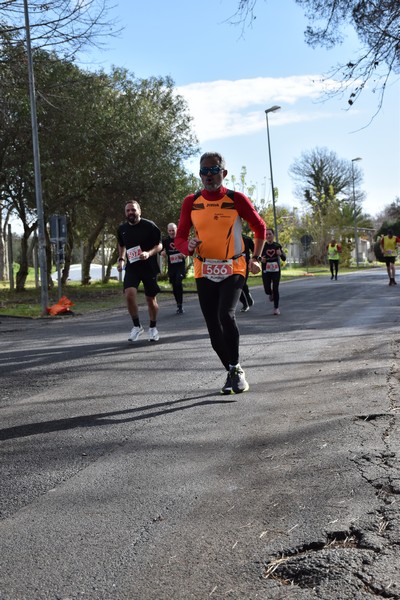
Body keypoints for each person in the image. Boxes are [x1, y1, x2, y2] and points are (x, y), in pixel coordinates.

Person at [175, 151, 266, 395]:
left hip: (233, 266)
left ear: (223, 173)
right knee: (213, 328)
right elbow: (180, 237)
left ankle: (235, 369)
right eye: (204, 171)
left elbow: (260, 227)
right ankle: (233, 371)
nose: (209, 175)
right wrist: (188, 247)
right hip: (204, 268)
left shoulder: (237, 199)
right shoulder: (190, 201)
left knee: (226, 315)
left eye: (214, 170)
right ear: (199, 174)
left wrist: (255, 257)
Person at [117, 200, 163, 342]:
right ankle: (137, 327)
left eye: (133, 210)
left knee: (150, 299)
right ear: (125, 213)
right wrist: (121, 259)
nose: (130, 212)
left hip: (149, 267)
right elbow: (121, 245)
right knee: (129, 294)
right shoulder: (122, 229)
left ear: (139, 211)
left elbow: (159, 245)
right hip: (132, 268)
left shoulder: (150, 226)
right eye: (128, 210)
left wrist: (148, 253)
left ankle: (153, 328)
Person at [161, 223, 187, 314]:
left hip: (180, 266)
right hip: (171, 266)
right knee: (174, 285)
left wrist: (184, 255)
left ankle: (180, 305)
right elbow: (161, 249)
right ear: (167, 231)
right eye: (170, 230)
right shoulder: (165, 240)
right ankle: (178, 304)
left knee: (178, 281)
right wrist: (162, 253)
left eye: (173, 230)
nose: (171, 232)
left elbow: (187, 250)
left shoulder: (181, 239)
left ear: (176, 229)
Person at [260, 228, 286, 315]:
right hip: (266, 270)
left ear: (273, 235)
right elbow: (257, 257)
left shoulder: (277, 245)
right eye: (266, 234)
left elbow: (284, 258)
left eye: (270, 234)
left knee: (275, 288)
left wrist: (281, 254)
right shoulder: (262, 247)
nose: (268, 236)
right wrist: (261, 259)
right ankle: (270, 293)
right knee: (267, 289)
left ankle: (276, 308)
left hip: (276, 270)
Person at [239, 233, 255, 312]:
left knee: (240, 283)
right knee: (236, 285)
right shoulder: (229, 237)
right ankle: (245, 303)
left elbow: (255, 250)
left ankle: (247, 299)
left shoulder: (247, 239)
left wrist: (255, 260)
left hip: (245, 266)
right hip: (232, 266)